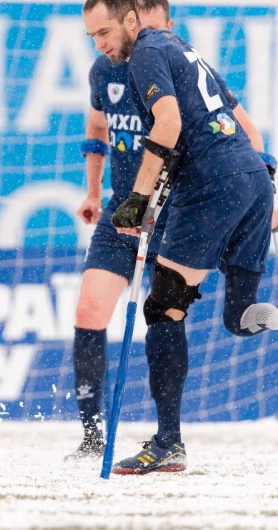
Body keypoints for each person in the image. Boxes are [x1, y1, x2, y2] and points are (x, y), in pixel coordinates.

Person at [68, 0, 275, 461]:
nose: (99, 46)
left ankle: (167, 443)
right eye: (92, 38)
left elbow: (170, 122)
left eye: (103, 33)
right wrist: (268, 185)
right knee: (239, 319)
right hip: (251, 182)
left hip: (202, 190)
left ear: (132, 21)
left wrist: (138, 200)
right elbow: (231, 121)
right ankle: (96, 433)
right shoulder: (183, 51)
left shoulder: (147, 53)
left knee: (163, 309)